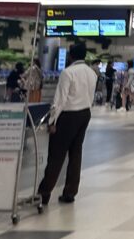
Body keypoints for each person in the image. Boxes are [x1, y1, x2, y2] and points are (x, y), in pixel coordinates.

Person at [37, 42, 98, 205]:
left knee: (57, 155)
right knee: (76, 153)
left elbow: (60, 100)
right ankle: (70, 192)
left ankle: (44, 194)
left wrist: (52, 121)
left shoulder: (68, 72)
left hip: (68, 116)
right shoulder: (92, 73)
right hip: (85, 113)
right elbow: (91, 97)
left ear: (71, 56)